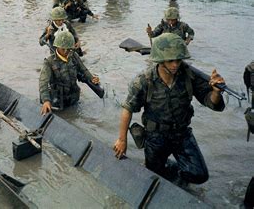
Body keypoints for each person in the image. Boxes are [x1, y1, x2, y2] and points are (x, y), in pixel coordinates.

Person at [113, 33, 226, 187]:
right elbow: (128, 108)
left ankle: (174, 172)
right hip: (155, 136)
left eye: (179, 60)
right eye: (171, 60)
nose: (175, 65)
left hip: (181, 134)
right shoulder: (144, 80)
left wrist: (216, 92)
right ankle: (166, 169)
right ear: (159, 60)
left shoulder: (189, 76)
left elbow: (210, 101)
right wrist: (122, 139)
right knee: (154, 176)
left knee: (199, 175)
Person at [39, 31, 100, 115]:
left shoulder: (74, 56)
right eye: (63, 48)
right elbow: (43, 83)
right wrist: (46, 100)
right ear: (57, 47)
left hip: (73, 98)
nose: (66, 51)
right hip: (58, 101)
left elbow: (84, 70)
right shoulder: (49, 62)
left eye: (68, 48)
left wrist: (92, 78)